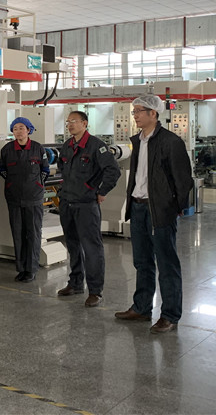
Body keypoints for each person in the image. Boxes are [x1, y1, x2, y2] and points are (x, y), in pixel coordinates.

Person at [115, 95, 192, 333]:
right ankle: (141, 307)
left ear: (154, 114)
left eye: (140, 111)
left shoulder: (171, 142)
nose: (135, 115)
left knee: (166, 262)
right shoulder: (137, 141)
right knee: (142, 261)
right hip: (138, 206)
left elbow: (183, 180)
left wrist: (174, 207)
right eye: (134, 111)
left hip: (159, 209)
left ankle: (170, 314)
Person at [56, 110, 120, 308]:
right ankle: (75, 283)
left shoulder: (96, 146)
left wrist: (102, 191)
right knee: (73, 245)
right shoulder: (67, 145)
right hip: (67, 202)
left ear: (84, 123)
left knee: (92, 247)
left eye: (74, 121)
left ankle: (95, 291)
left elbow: (113, 171)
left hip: (86, 204)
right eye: (68, 122)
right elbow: (62, 169)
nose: (70, 125)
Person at [0, 117, 50, 283]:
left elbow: (45, 169)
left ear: (28, 130)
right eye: (15, 129)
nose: (18, 131)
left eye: (21, 128)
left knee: (33, 233)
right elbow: (1, 169)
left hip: (34, 197)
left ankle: (31, 269)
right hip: (14, 197)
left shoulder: (37, 148)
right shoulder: (7, 149)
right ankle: (21, 268)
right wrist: (12, 183)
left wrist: (37, 185)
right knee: (18, 233)